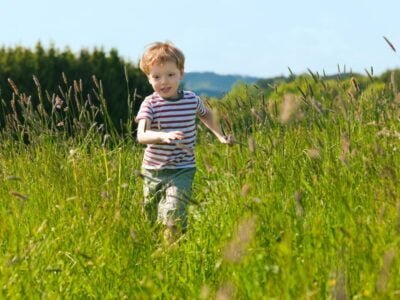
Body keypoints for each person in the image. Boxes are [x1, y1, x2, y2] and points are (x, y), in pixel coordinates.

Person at [135, 41, 233, 244]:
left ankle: (171, 250)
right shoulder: (150, 103)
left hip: (183, 168)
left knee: (173, 210)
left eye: (170, 75)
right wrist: (163, 136)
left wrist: (220, 136)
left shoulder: (191, 99)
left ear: (181, 73)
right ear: (148, 78)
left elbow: (207, 115)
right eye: (157, 77)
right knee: (152, 216)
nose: (164, 82)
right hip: (153, 169)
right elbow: (141, 135)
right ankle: (156, 248)